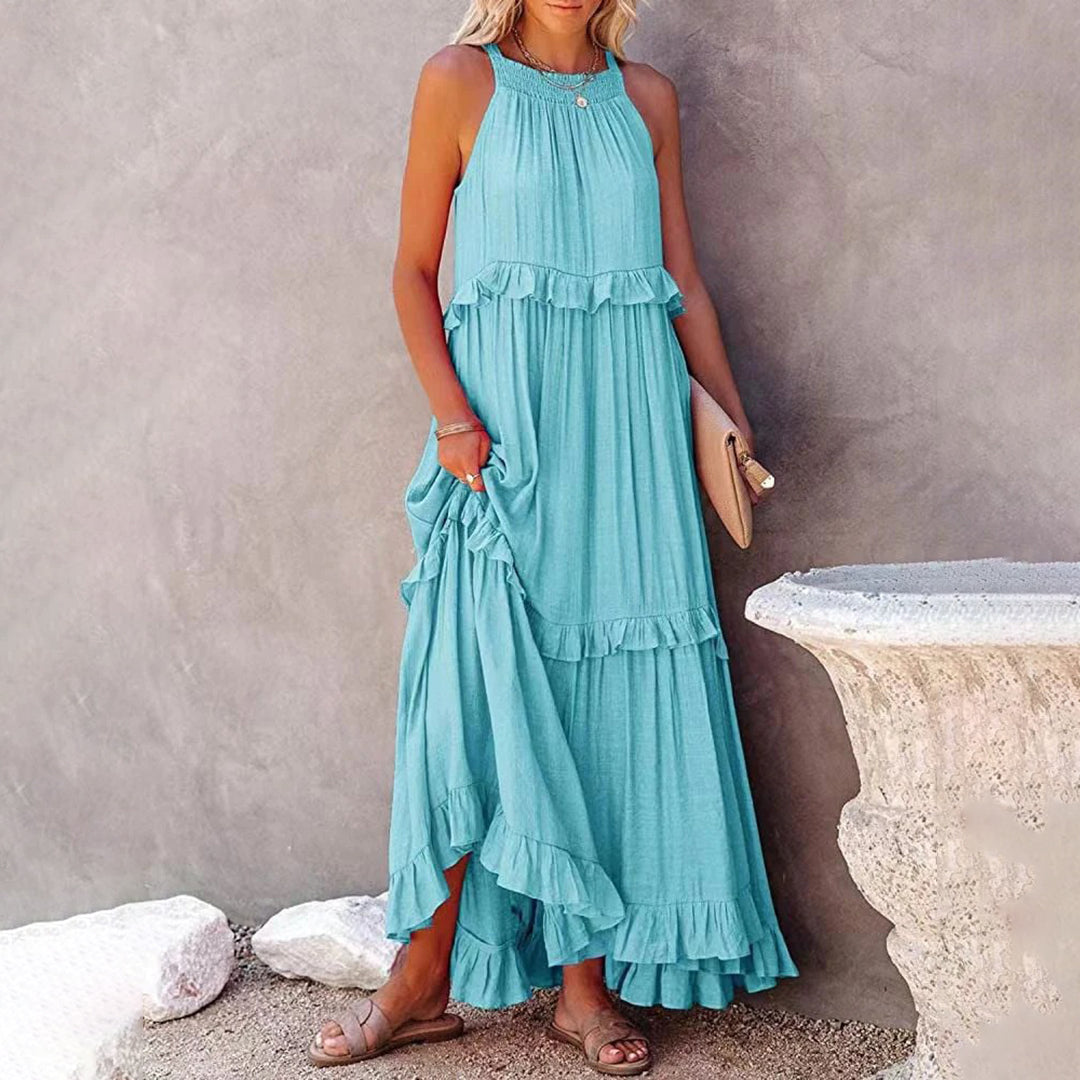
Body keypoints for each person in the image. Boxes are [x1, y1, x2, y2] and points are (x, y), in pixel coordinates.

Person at [309, 1, 798, 1072]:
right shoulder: (458, 80)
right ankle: (421, 975)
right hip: (504, 438)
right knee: (468, 695)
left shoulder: (647, 100)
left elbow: (681, 279)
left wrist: (727, 412)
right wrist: (453, 419)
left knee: (606, 703)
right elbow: (412, 273)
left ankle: (585, 991)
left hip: (629, 442)